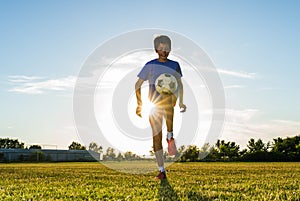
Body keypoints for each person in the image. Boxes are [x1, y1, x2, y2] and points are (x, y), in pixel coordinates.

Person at [135, 35, 186, 180]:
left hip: (168, 100)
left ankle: (170, 135)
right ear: (156, 49)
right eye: (161, 48)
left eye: (167, 49)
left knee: (168, 105)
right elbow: (137, 85)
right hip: (153, 104)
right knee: (156, 137)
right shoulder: (150, 65)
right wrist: (139, 104)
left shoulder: (174, 65)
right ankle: (162, 171)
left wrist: (180, 101)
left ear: (170, 49)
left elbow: (179, 85)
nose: (164, 51)